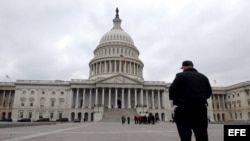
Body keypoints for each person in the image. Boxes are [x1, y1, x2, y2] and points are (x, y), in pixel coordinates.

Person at [169, 60, 212, 141]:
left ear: (184, 67)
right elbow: (209, 93)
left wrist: (180, 101)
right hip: (200, 110)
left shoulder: (180, 76)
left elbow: (172, 91)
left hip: (184, 110)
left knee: (185, 135)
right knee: (202, 135)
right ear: (192, 66)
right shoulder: (203, 77)